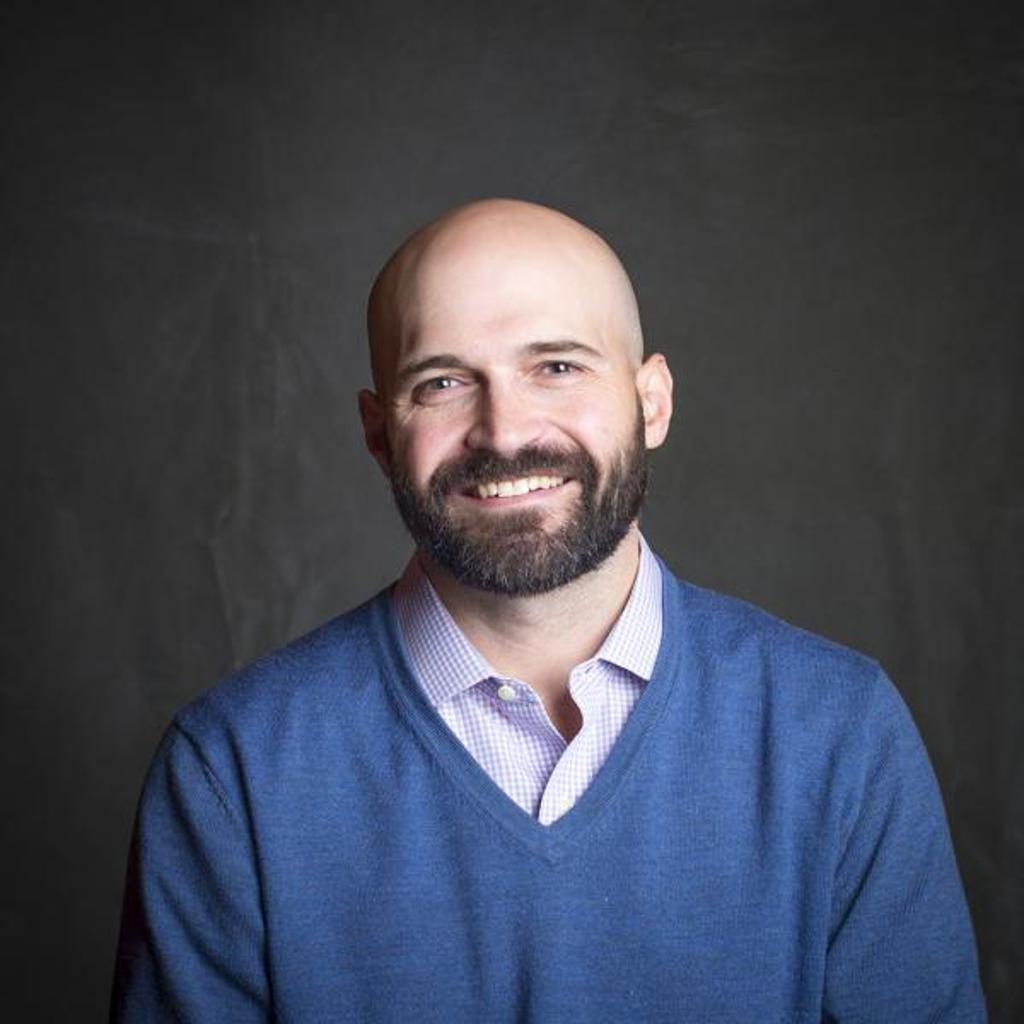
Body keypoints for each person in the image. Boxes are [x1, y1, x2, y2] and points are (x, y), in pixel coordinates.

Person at [111, 199, 986, 1021]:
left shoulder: (837, 732)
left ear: (652, 402)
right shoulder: (232, 771)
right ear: (379, 433)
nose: (504, 431)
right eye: (443, 382)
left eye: (558, 368)